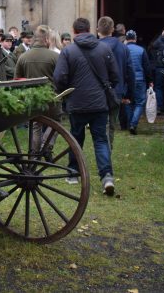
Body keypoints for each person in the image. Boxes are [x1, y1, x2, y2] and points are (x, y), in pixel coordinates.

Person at [54, 17, 119, 195]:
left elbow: (59, 78)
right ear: (90, 29)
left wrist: (66, 92)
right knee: (101, 140)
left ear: (74, 31)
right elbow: (115, 75)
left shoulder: (68, 51)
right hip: (99, 103)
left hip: (77, 102)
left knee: (76, 138)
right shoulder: (104, 48)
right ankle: (107, 176)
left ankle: (74, 174)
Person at [97, 16, 134, 145]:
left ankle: (102, 152)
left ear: (97, 30)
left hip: (97, 91)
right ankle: (107, 153)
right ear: (112, 29)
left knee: (100, 125)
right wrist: (129, 93)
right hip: (116, 91)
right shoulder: (123, 48)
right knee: (111, 125)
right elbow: (130, 72)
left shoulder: (95, 47)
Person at [125, 30, 152, 135]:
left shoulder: (123, 50)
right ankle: (133, 124)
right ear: (135, 39)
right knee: (140, 102)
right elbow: (147, 67)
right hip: (139, 79)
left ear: (126, 39)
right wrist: (150, 80)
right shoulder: (141, 50)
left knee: (128, 101)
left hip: (127, 80)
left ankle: (129, 123)